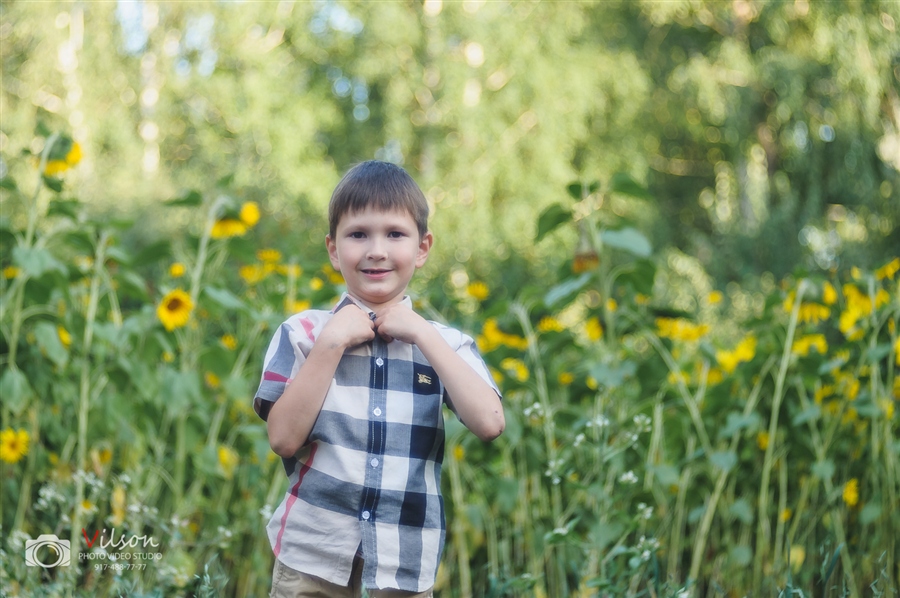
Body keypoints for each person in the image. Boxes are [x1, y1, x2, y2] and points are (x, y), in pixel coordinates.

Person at [253, 160, 505, 598]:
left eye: (394, 234)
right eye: (358, 234)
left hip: (403, 561)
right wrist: (331, 346)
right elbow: (283, 439)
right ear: (333, 249)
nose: (376, 250)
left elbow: (489, 423)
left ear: (423, 247)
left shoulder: (445, 344)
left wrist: (421, 332)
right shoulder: (303, 334)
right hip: (312, 559)